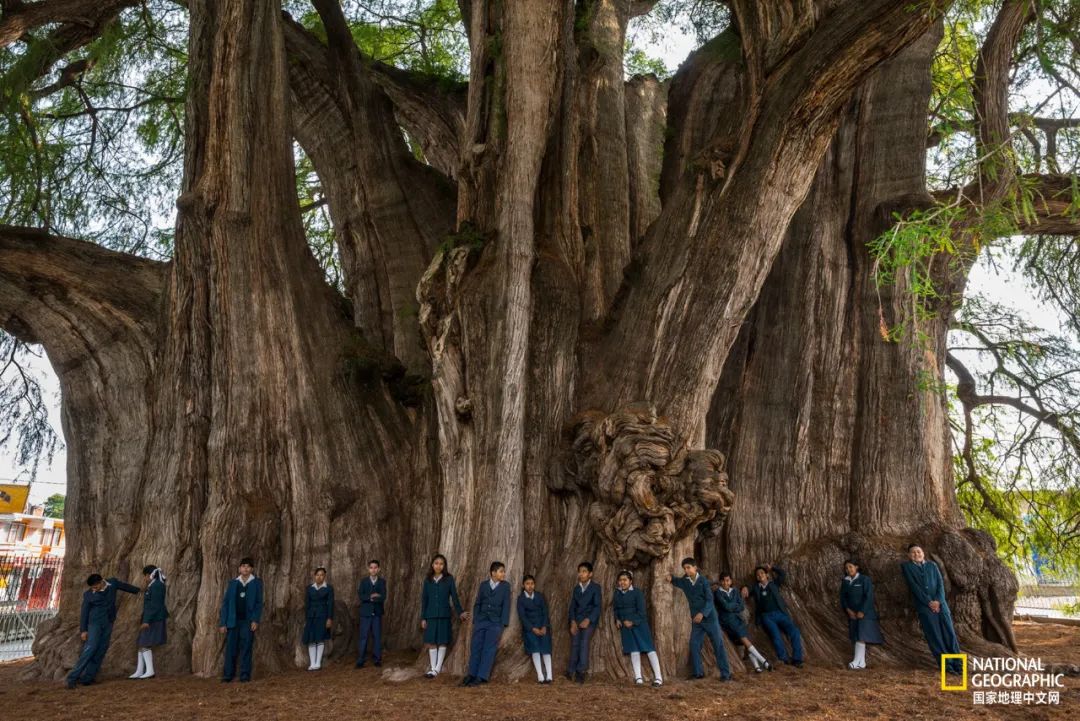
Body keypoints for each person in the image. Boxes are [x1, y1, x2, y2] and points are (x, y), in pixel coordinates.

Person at [66, 573, 139, 689]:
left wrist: (140, 591)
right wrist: (83, 630)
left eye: (95, 587)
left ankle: (88, 678)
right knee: (90, 649)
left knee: (101, 650)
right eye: (92, 588)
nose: (93, 589)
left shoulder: (113, 583)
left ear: (101, 582)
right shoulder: (88, 595)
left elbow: (126, 587)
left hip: (108, 623)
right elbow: (84, 613)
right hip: (94, 624)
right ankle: (72, 678)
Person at [900, 544, 961, 674]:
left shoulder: (932, 565)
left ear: (923, 553)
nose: (916, 554)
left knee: (949, 634)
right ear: (909, 555)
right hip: (925, 607)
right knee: (935, 637)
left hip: (941, 606)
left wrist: (938, 601)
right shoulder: (907, 567)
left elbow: (940, 584)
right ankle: (947, 666)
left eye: (918, 551)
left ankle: (958, 664)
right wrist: (929, 602)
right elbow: (914, 587)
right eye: (913, 552)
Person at [669, 558, 731, 681]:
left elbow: (709, 600)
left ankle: (726, 674)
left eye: (688, 567)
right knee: (694, 644)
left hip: (710, 618)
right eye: (684, 568)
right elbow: (676, 581)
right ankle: (698, 672)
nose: (686, 570)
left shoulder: (703, 581)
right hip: (697, 621)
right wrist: (670, 578)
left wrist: (702, 613)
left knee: (718, 644)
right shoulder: (685, 581)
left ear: (695, 567)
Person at [743, 563, 804, 667]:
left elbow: (783, 575)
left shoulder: (774, 584)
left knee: (795, 631)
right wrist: (743, 587)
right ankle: (784, 659)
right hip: (767, 616)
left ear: (767, 575)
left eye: (762, 573)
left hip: (780, 613)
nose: (760, 575)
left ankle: (797, 659)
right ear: (757, 578)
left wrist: (773, 568)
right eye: (758, 574)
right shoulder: (756, 588)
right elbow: (747, 589)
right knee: (776, 636)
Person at [460, 561, 511, 687]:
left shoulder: (505, 586)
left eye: (503, 571)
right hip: (481, 621)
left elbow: (506, 605)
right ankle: (471, 674)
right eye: (501, 571)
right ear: (493, 573)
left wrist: (502, 624)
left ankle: (481, 676)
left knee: (489, 649)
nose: (503, 573)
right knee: (476, 647)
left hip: (495, 623)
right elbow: (478, 602)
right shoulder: (483, 585)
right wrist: (476, 619)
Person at [420, 553, 469, 678]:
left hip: (444, 614)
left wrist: (460, 612)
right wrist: (423, 617)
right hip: (430, 615)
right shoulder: (428, 580)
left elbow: (454, 597)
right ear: (432, 565)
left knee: (442, 641)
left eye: (441, 564)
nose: (438, 566)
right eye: (436, 563)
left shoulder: (449, 579)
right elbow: (424, 600)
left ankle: (436, 669)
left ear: (444, 566)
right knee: (431, 641)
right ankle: (433, 668)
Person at [713, 571, 771, 673]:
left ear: (730, 581)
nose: (725, 583)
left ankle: (757, 667)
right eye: (723, 581)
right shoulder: (718, 592)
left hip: (737, 618)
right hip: (727, 620)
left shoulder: (734, 591)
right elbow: (725, 606)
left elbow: (741, 607)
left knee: (746, 640)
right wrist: (734, 605)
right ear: (720, 582)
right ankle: (763, 661)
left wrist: (732, 606)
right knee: (744, 638)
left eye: (727, 581)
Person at [612, 570, 662, 687]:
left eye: (625, 580)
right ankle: (638, 677)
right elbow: (616, 609)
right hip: (625, 626)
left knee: (649, 649)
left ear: (630, 581)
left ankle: (658, 677)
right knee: (633, 650)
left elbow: (642, 612)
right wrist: (617, 619)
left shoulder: (637, 593)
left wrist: (633, 622)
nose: (622, 582)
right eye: (620, 580)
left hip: (639, 625)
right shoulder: (617, 593)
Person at [218, 557, 264, 683]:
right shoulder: (233, 583)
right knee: (231, 649)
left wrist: (255, 620)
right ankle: (228, 675)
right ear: (239, 568)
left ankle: (244, 675)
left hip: (247, 621)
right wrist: (223, 622)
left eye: (248, 566)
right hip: (233, 621)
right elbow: (226, 603)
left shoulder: (256, 583)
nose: (245, 568)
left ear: (252, 569)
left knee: (246, 647)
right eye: (243, 566)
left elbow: (259, 603)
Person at [840, 559, 883, 670]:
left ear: (856, 567)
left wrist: (862, 611)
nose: (848, 569)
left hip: (865, 613)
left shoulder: (865, 579)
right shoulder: (845, 581)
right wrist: (848, 610)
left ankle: (855, 661)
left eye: (850, 566)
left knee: (861, 637)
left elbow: (869, 596)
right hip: (852, 614)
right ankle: (861, 663)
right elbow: (843, 598)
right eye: (846, 568)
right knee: (857, 637)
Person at [130, 565, 168, 680]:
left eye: (145, 576)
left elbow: (154, 606)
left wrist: (146, 621)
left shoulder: (156, 586)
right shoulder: (154, 585)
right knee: (142, 643)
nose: (144, 579)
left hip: (154, 619)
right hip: (151, 618)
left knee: (144, 643)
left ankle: (150, 671)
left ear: (148, 575)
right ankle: (140, 670)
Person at [566, 560, 601, 683]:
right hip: (577, 620)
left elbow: (597, 606)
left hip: (588, 621)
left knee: (584, 644)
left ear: (590, 574)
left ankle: (581, 671)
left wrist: (588, 619)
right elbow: (572, 607)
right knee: (575, 644)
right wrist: (572, 621)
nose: (581, 574)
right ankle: (571, 670)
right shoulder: (577, 589)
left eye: (584, 571)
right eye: (579, 572)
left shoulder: (595, 588)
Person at [517, 574, 553, 684]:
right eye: (527, 584)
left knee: (546, 649)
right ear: (523, 585)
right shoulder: (521, 599)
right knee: (535, 650)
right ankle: (540, 676)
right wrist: (532, 628)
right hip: (530, 629)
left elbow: (545, 612)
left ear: (534, 585)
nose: (530, 586)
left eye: (532, 584)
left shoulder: (539, 596)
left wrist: (544, 626)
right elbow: (522, 616)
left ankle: (549, 675)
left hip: (542, 627)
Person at [355, 559, 386, 668]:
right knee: (363, 636)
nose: (373, 569)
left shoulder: (382, 582)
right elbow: (361, 596)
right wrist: (371, 596)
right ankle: (360, 660)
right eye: (371, 567)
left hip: (377, 613)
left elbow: (383, 597)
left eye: (375, 567)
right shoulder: (364, 581)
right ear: (368, 569)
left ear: (378, 569)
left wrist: (372, 598)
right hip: (365, 613)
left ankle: (377, 659)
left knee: (377, 636)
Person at [303, 567, 334, 671]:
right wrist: (306, 617)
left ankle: (318, 663)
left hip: (323, 615)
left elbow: (330, 604)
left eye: (321, 575)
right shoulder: (309, 588)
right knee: (312, 639)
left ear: (324, 576)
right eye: (317, 575)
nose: (319, 577)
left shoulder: (328, 588)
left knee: (320, 638)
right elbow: (307, 604)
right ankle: (312, 663)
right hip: (311, 616)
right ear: (314, 576)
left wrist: (329, 618)